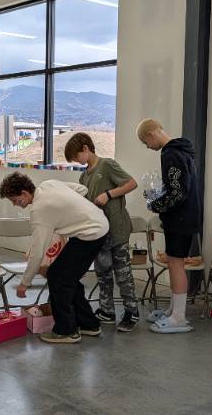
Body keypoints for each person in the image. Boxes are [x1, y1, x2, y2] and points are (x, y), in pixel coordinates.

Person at [0, 172, 109, 344]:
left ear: (25, 193)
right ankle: (89, 324)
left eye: (15, 200)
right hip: (98, 226)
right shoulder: (48, 184)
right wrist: (71, 210)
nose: (14, 204)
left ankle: (66, 331)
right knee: (67, 278)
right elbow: (82, 189)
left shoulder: (39, 210)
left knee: (57, 277)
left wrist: (24, 283)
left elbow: (37, 253)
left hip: (90, 234)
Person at [65, 132, 141, 332]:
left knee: (122, 274)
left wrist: (109, 194)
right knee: (103, 273)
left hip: (117, 230)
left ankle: (131, 311)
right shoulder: (84, 176)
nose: (77, 161)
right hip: (98, 234)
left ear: (85, 148)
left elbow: (131, 183)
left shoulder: (107, 165)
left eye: (76, 156)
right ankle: (107, 311)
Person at [136, 118, 201, 334]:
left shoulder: (171, 153)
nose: (148, 147)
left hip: (180, 218)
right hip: (186, 216)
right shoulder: (183, 151)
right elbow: (179, 186)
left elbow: (177, 192)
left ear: (151, 135)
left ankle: (179, 317)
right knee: (176, 263)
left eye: (145, 142)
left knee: (175, 264)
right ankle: (174, 310)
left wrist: (156, 203)